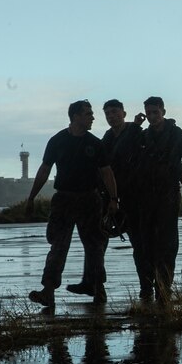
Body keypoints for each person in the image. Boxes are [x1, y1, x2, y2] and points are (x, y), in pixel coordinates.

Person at [26, 99, 119, 310]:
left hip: (90, 200)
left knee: (94, 246)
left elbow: (107, 172)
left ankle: (98, 288)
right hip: (64, 200)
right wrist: (31, 198)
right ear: (75, 116)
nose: (93, 117)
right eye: (88, 113)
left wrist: (113, 200)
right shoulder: (57, 141)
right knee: (58, 246)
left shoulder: (95, 143)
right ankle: (48, 292)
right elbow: (44, 170)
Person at [132, 95, 182, 303]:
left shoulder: (178, 136)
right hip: (144, 196)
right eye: (148, 113)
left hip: (168, 195)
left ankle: (164, 287)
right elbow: (126, 160)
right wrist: (134, 127)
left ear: (163, 112)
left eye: (155, 112)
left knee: (167, 244)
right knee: (144, 243)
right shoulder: (141, 137)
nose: (151, 117)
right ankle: (146, 286)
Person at [66, 99, 143, 297]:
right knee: (97, 242)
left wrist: (135, 126)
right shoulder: (107, 138)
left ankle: (147, 287)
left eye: (115, 112)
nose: (111, 116)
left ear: (123, 113)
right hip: (109, 197)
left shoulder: (135, 133)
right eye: (108, 113)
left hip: (132, 197)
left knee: (139, 243)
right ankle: (92, 283)